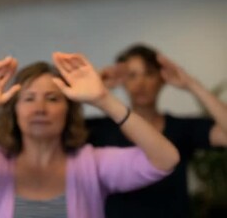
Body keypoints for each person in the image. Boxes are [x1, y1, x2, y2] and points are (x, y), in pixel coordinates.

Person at [0, 53, 180, 218]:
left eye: (52, 98)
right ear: (15, 111)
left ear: (69, 109)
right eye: (29, 99)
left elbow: (166, 159)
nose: (40, 108)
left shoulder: (93, 164)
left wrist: (104, 100)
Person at [88, 44, 227, 218]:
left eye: (149, 74)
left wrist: (191, 84)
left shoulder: (181, 128)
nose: (141, 83)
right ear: (122, 81)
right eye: (132, 75)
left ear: (162, 79)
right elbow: (55, 127)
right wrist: (96, 84)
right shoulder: (100, 129)